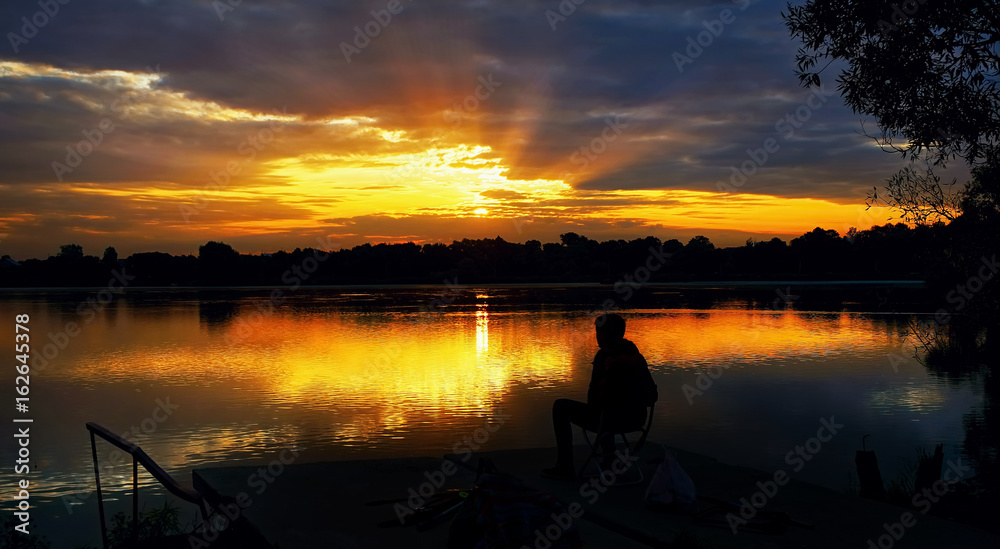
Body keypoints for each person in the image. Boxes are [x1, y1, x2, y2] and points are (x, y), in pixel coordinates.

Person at [542, 313, 658, 480]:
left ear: (603, 335)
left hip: (608, 420)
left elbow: (594, 399)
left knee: (561, 406)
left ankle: (565, 466)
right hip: (637, 420)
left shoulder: (604, 357)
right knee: (608, 408)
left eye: (597, 332)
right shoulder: (636, 356)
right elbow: (652, 396)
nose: (596, 337)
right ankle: (608, 459)